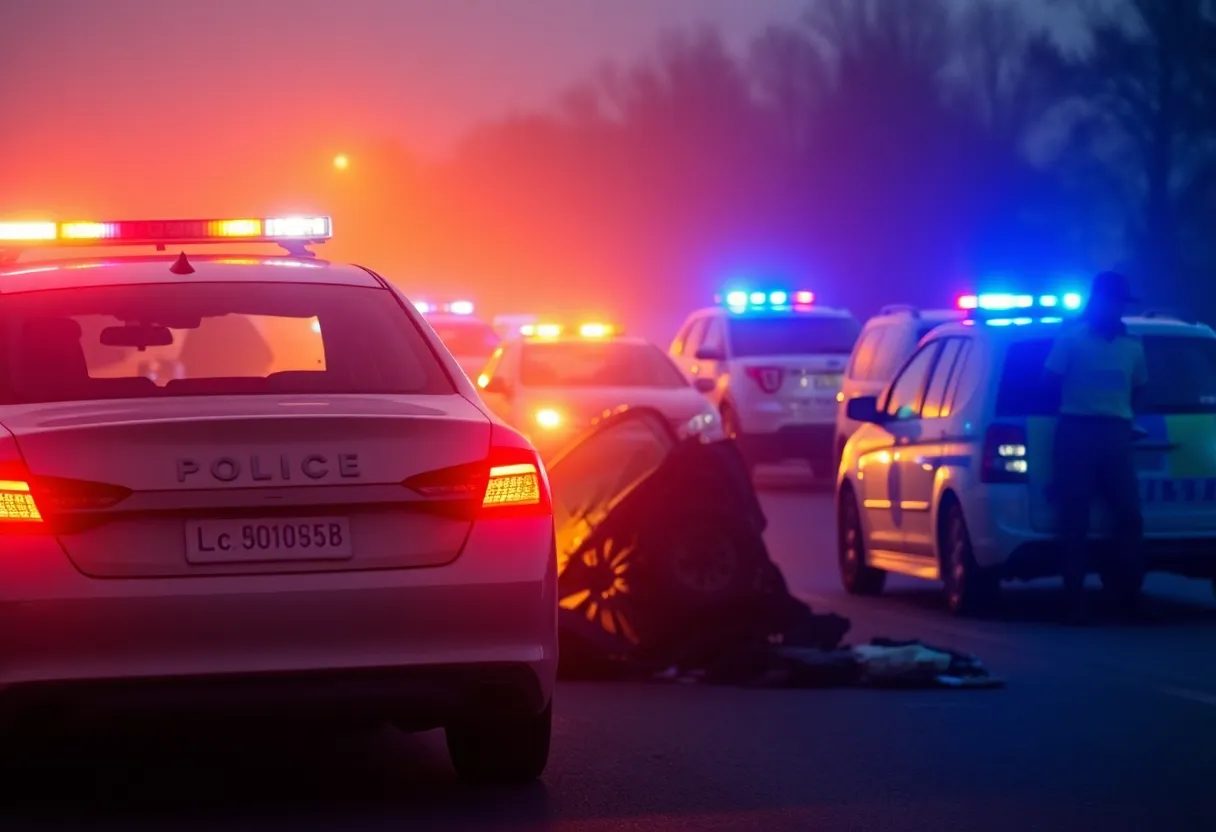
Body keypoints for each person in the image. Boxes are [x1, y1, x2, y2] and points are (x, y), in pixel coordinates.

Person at [1044, 271, 1150, 625]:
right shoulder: (1071, 339)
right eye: (1113, 301)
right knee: (1075, 518)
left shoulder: (1133, 346)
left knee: (1130, 515)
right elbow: (1048, 383)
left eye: (1121, 302)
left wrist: (1125, 417)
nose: (1117, 308)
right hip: (1076, 430)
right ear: (1099, 302)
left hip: (1116, 433)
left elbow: (1139, 389)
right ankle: (1074, 597)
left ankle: (1129, 593)